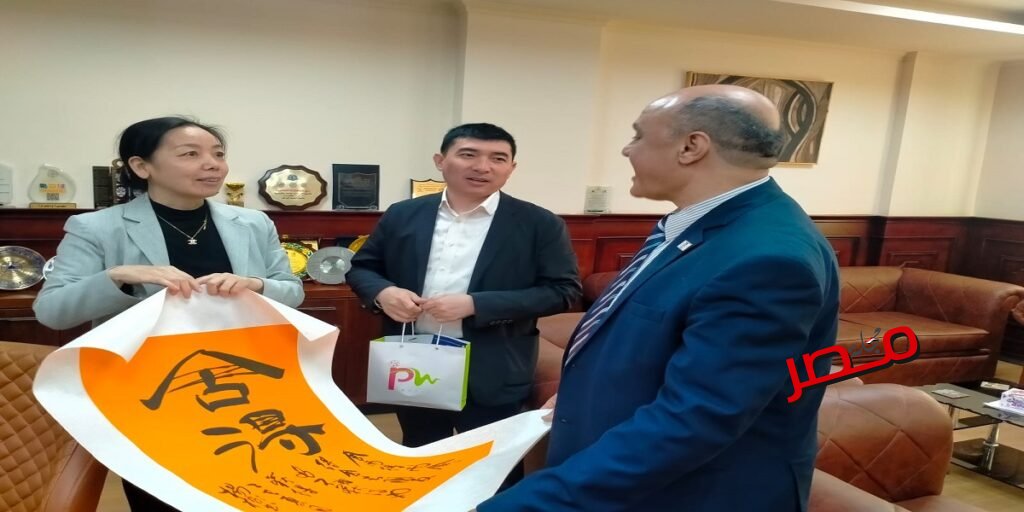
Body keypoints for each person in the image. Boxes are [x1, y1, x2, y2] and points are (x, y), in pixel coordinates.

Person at [478, 85, 841, 511]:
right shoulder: (696, 225)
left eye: (638, 135)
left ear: (691, 147)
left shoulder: (766, 258)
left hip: (693, 495)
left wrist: (522, 504)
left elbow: (694, 420)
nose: (626, 149)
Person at [33, 116, 303, 511]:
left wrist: (256, 285)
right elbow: (52, 311)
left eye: (218, 154)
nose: (212, 164)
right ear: (142, 166)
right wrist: (119, 276)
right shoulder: (96, 227)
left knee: (250, 489)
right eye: (190, 154)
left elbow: (292, 292)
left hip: (245, 384)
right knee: (164, 496)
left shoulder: (252, 222)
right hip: (149, 392)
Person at [346, 123, 581, 485]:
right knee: (421, 458)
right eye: (468, 154)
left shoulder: (540, 223)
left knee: (495, 470)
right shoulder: (403, 214)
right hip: (415, 363)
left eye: (498, 158)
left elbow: (562, 291)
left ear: (512, 168)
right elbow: (363, 268)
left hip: (494, 367)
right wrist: (384, 293)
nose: (482, 167)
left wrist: (476, 304)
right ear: (440, 161)